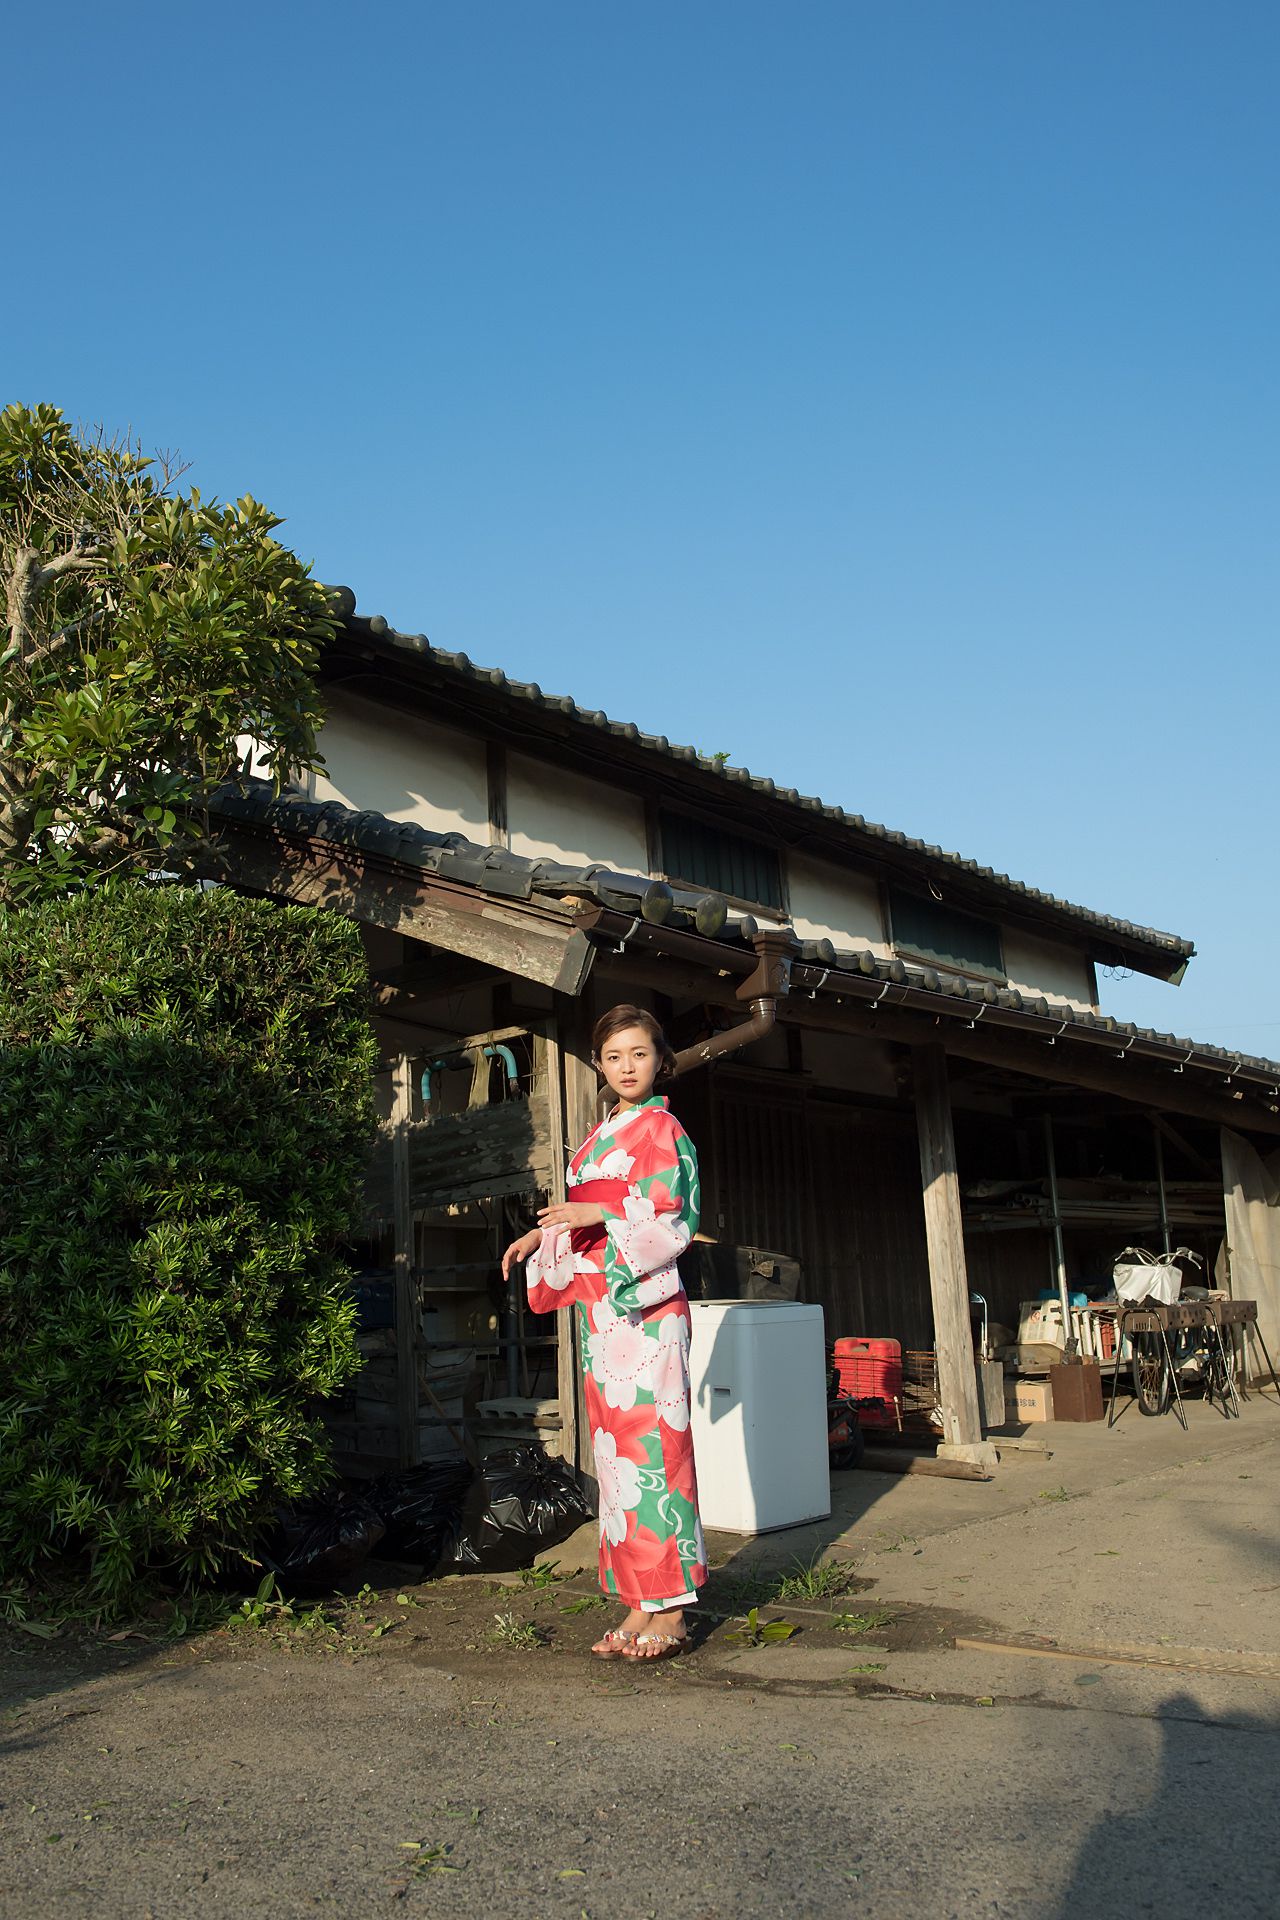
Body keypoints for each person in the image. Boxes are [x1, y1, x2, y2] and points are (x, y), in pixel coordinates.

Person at [501, 1005, 706, 1661]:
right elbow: (584, 1216)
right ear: (599, 1064)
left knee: (659, 1455)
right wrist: (541, 1237)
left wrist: (598, 1212)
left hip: (648, 1313)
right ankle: (640, 1600)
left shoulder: (664, 1129)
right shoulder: (602, 1133)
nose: (627, 1067)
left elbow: (672, 1218)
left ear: (660, 1058)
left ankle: (674, 1611)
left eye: (640, 1054)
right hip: (606, 1319)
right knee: (620, 1466)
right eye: (614, 1056)